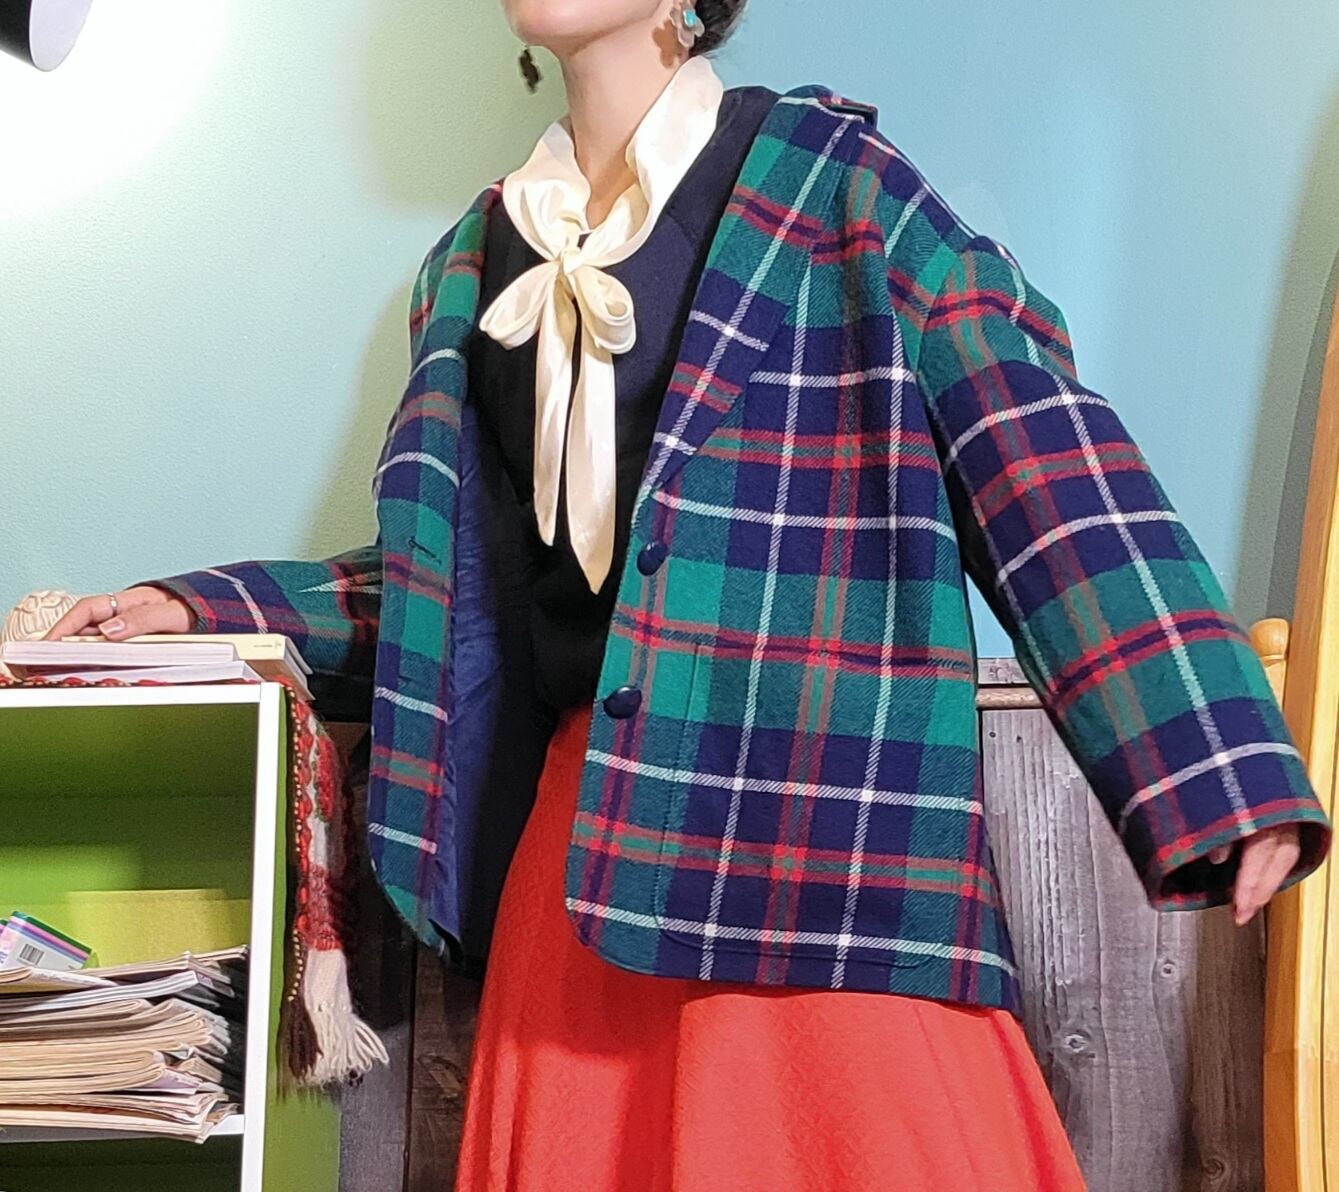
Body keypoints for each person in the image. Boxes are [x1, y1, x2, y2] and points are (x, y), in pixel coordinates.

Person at [46, 1, 1333, 1187]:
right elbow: (454, 596)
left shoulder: (836, 185)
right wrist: (206, 608)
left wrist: (1212, 765)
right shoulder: (472, 264)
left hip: (821, 841)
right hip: (580, 877)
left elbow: (1037, 450)